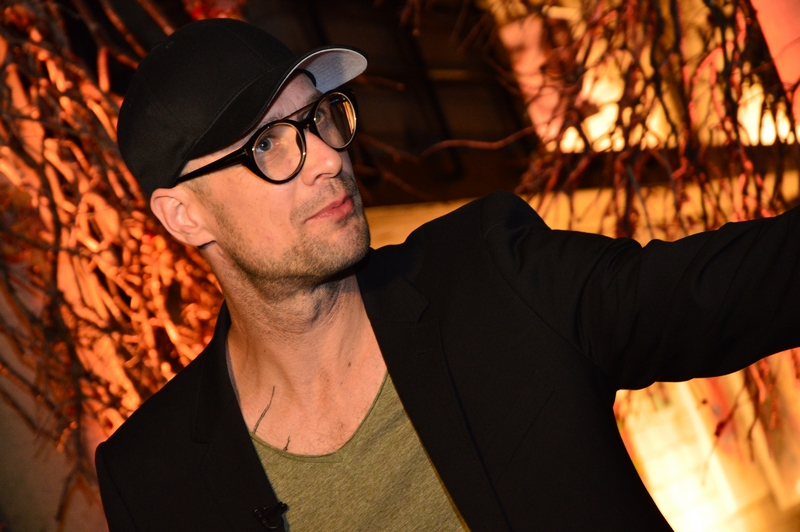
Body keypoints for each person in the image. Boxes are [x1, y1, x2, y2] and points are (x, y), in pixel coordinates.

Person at [95, 18, 800, 532]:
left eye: (319, 117)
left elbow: (722, 290)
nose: (329, 158)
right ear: (185, 215)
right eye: (269, 144)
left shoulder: (494, 279)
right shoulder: (153, 477)